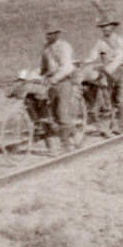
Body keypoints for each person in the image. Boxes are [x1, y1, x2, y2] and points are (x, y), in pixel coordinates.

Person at [85, 17, 123, 134]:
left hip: (121, 70)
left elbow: (121, 55)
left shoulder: (119, 40)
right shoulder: (100, 42)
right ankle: (113, 124)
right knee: (109, 99)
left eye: (107, 27)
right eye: (103, 27)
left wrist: (109, 66)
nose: (105, 29)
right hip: (108, 72)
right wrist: (87, 61)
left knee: (121, 99)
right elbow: (94, 53)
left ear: (112, 27)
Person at [39, 22, 77, 151]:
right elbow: (43, 67)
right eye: (47, 34)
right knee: (53, 112)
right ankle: (73, 133)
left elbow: (67, 67)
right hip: (52, 82)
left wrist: (55, 78)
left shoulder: (64, 47)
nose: (49, 36)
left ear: (57, 34)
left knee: (62, 111)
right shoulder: (46, 49)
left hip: (64, 81)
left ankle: (66, 144)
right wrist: (38, 76)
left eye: (52, 33)